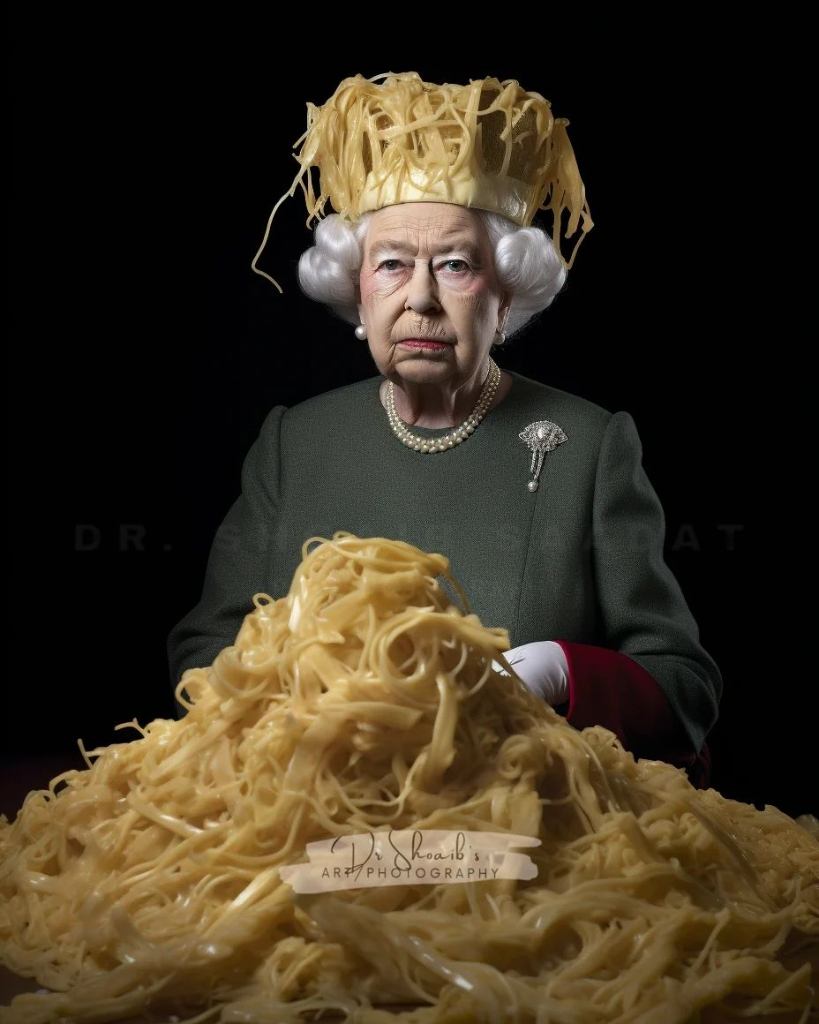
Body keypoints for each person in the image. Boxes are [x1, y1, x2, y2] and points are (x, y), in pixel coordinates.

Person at [167, 72, 721, 787]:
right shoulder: (294, 442)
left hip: (525, 833)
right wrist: (287, 713)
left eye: (456, 265)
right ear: (357, 292)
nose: (420, 299)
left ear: (504, 296)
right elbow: (207, 645)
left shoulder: (588, 445)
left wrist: (560, 673)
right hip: (312, 812)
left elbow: (682, 689)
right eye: (392, 264)